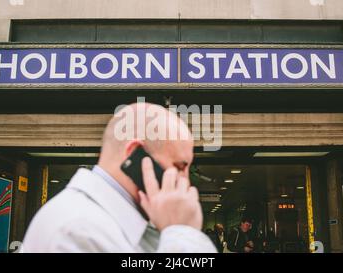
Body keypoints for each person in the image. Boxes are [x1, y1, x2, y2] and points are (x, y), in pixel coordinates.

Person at [20, 102, 216, 253]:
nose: (185, 182)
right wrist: (182, 234)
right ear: (136, 155)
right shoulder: (78, 231)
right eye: (179, 167)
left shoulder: (109, 222)